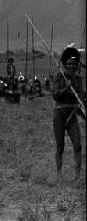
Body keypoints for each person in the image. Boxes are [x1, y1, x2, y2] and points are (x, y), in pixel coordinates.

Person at [51, 47, 84, 178]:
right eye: (69, 63)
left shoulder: (78, 79)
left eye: (74, 64)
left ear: (77, 65)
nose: (71, 66)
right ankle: (59, 173)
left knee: (78, 145)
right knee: (60, 145)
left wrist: (76, 94)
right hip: (59, 114)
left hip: (72, 114)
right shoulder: (58, 76)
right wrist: (66, 88)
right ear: (64, 64)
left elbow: (80, 95)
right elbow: (55, 95)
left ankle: (77, 173)